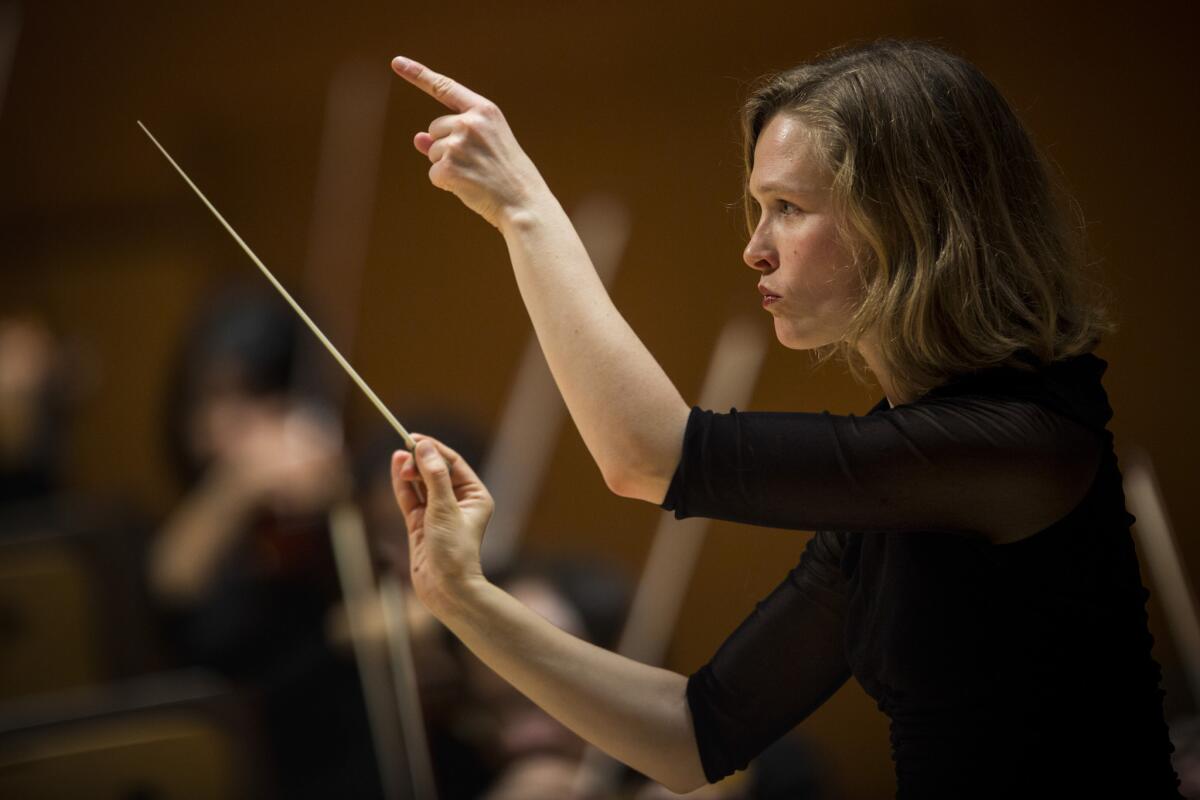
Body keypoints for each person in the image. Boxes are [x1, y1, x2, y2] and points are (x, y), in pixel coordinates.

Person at [386, 40, 1183, 798]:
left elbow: (650, 456)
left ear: (905, 218)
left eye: (789, 208)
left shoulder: (1019, 447)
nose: (754, 248)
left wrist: (526, 209)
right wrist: (462, 597)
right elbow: (690, 735)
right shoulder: (901, 485)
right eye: (757, 207)